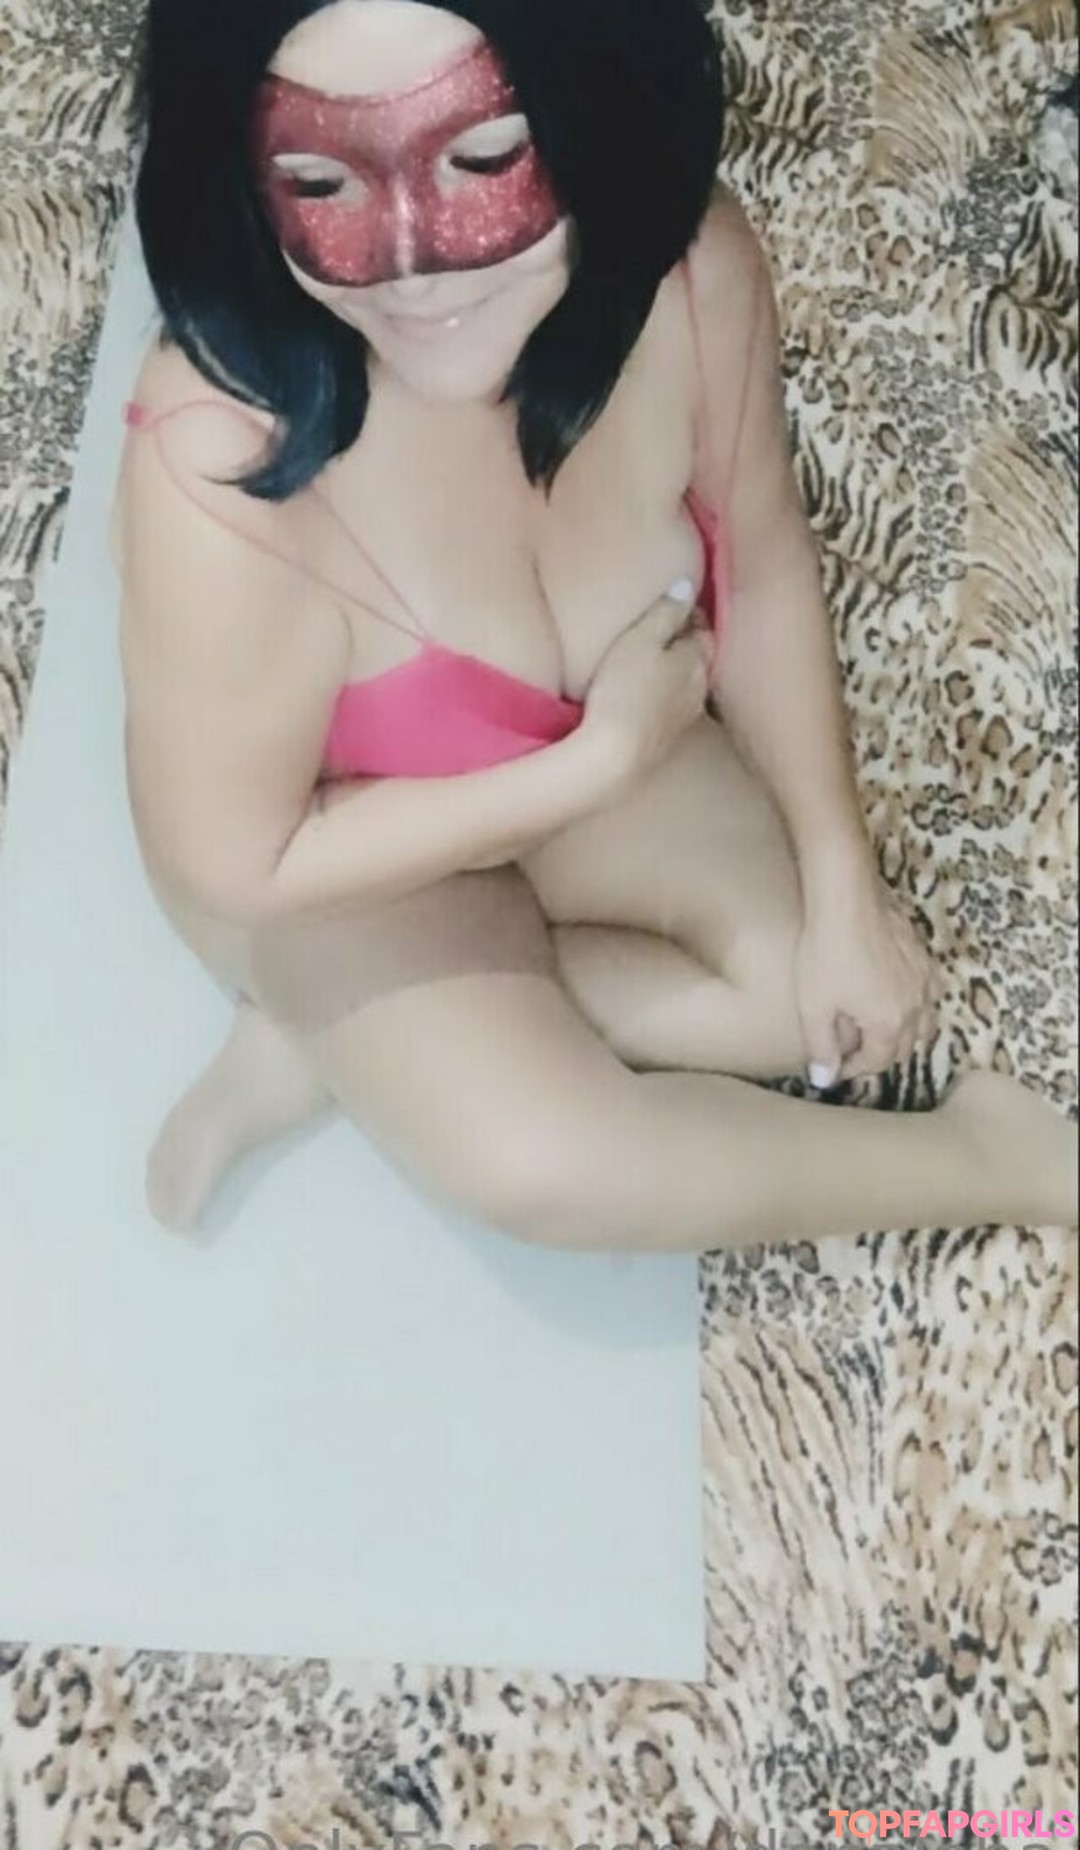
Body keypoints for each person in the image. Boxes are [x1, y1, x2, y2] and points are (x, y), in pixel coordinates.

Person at [112, 0, 1077, 1251]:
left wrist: (844, 886)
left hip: (591, 749)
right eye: (318, 180)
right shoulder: (216, 454)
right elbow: (242, 860)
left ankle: (360, 1049)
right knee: (542, 1162)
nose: (414, 264)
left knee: (802, 1000)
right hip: (331, 862)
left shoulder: (693, 278)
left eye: (483, 156)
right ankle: (994, 1161)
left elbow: (764, 564)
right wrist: (599, 763)